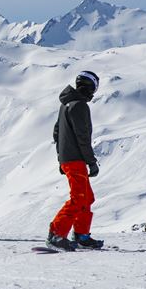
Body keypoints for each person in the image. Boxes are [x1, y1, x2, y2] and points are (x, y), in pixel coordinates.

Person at [48, 71, 103, 251]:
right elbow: (82, 136)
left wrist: (60, 159)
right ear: (90, 87)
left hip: (69, 158)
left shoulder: (66, 105)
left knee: (86, 197)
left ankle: (82, 236)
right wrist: (91, 161)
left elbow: (57, 133)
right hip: (75, 159)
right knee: (79, 198)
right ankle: (56, 235)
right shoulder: (79, 105)